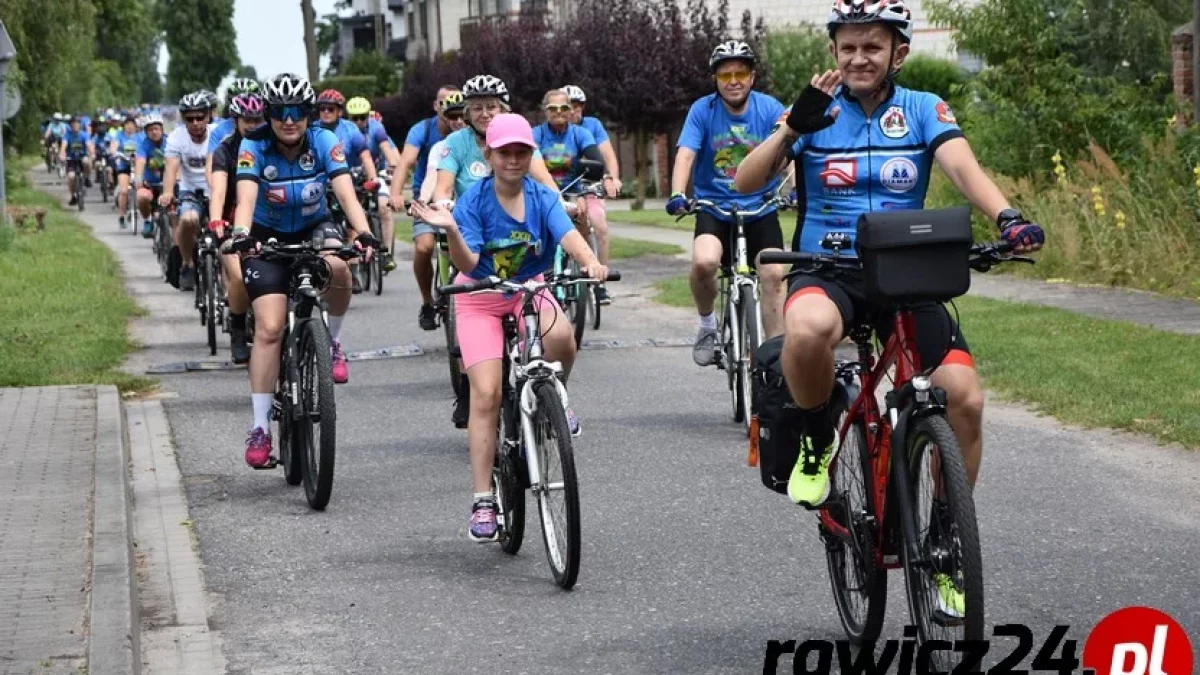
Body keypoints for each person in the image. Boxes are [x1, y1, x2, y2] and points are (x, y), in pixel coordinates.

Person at [734, 0, 1046, 618]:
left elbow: (962, 167)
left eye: (871, 47)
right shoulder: (813, 115)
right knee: (807, 330)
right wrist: (792, 128)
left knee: (965, 397)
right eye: (847, 48)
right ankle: (816, 443)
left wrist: (1006, 216)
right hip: (831, 271)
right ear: (833, 54)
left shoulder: (925, 109)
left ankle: (946, 542)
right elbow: (747, 181)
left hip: (908, 274)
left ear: (897, 52)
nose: (858, 58)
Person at [410, 114, 606, 542]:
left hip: (526, 290)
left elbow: (567, 234)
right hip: (479, 296)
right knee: (486, 393)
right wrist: (450, 232)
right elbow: (465, 263)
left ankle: (555, 395)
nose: (514, 159)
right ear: (490, 154)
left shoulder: (541, 196)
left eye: (521, 151)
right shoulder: (474, 201)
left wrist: (589, 261)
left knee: (561, 339)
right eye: (505, 152)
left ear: (530, 154)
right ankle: (484, 498)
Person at [229, 73, 379, 467]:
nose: (290, 120)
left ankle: (333, 342)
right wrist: (242, 233)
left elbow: (345, 192)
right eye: (281, 113)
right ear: (269, 115)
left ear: (309, 114)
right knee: (270, 328)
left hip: (315, 226)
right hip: (266, 236)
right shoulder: (253, 144)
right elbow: (245, 198)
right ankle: (260, 427)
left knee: (340, 268)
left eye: (298, 112)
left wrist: (362, 232)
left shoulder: (324, 141)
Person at [432, 74, 562, 429]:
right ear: (467, 113)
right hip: (472, 234)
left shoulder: (516, 141)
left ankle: (542, 383)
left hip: (515, 238)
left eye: (491, 107)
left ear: (503, 109)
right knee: (462, 297)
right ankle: (468, 385)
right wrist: (445, 209)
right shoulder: (455, 145)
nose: (485, 113)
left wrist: (562, 206)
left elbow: (546, 184)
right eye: (477, 108)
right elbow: (444, 184)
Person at [665, 40, 789, 368]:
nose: (733, 80)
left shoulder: (770, 108)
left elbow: (787, 150)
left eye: (741, 72)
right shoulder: (702, 111)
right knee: (705, 263)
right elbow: (687, 153)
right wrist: (678, 193)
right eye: (725, 75)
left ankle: (776, 358)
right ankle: (707, 326)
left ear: (752, 77)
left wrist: (794, 189)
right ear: (715, 80)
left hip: (761, 206)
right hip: (714, 206)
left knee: (775, 273)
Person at [391, 85, 461, 331]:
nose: (455, 117)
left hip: (463, 203)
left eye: (460, 111)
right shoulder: (423, 131)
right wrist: (396, 194)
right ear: (436, 106)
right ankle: (428, 302)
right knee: (424, 247)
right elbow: (407, 162)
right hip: (428, 199)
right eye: (446, 106)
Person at [208, 92, 266, 365]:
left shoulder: (271, 144)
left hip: (267, 223)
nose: (253, 125)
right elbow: (218, 190)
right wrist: (217, 219)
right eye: (247, 120)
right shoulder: (224, 150)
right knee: (241, 277)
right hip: (233, 225)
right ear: (235, 120)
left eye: (257, 119)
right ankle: (239, 326)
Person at [562, 84, 621, 305]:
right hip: (565, 190)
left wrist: (611, 178)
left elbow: (606, 154)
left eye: (577, 107)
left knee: (600, 224)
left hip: (590, 185)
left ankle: (601, 283)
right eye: (569, 107)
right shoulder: (553, 133)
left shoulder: (591, 127)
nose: (573, 112)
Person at [315, 89, 378, 294]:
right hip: (322, 185)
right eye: (322, 108)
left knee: (353, 226)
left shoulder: (351, 130)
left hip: (349, 181)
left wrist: (372, 178)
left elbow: (366, 156)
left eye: (330, 109)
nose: (325, 112)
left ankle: (355, 270)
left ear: (339, 111)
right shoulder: (313, 130)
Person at [160, 92, 212, 291]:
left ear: (207, 116)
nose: (196, 122)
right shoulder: (176, 137)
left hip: (215, 189)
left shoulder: (217, 134)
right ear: (183, 119)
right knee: (188, 219)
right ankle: (188, 263)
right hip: (189, 190)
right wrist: (167, 192)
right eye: (190, 118)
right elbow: (171, 168)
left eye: (200, 117)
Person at [346, 96, 403, 267]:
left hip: (374, 174)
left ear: (368, 116)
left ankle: (386, 253)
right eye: (354, 118)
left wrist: (393, 166)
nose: (358, 121)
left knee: (384, 206)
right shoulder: (345, 129)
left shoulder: (377, 128)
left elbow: (387, 149)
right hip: (349, 176)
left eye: (362, 117)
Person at [134, 113, 167, 238]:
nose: (154, 132)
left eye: (156, 129)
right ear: (146, 132)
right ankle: (147, 220)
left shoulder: (170, 142)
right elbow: (140, 161)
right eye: (150, 129)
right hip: (150, 184)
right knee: (141, 197)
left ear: (162, 129)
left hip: (167, 184)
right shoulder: (143, 145)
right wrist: (138, 179)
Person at [110, 116, 142, 229]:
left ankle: (136, 209)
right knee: (123, 191)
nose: (129, 126)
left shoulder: (140, 137)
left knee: (140, 189)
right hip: (124, 165)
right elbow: (113, 146)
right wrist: (114, 153)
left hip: (137, 166)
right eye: (127, 124)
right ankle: (121, 216)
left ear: (135, 126)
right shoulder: (119, 136)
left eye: (131, 124)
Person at [60, 116, 94, 206]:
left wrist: (92, 152)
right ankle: (73, 196)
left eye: (77, 124)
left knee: (86, 161)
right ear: (70, 125)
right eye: (73, 124)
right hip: (71, 159)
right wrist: (62, 154)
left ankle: (86, 178)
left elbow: (89, 144)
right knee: (71, 177)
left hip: (82, 157)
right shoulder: (67, 135)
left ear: (80, 125)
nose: (75, 125)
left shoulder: (84, 134)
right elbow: (64, 146)